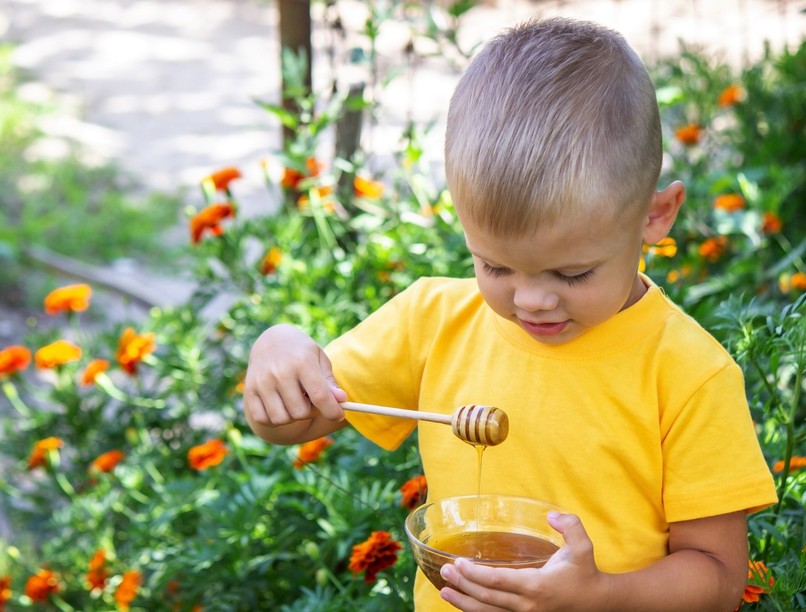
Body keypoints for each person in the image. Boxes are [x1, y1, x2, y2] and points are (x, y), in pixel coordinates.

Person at [244, 17, 777, 611]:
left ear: (656, 216)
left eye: (572, 274)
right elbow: (290, 422)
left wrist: (597, 597)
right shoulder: (432, 319)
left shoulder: (688, 374)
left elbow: (720, 579)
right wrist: (279, 349)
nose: (531, 301)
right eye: (494, 267)